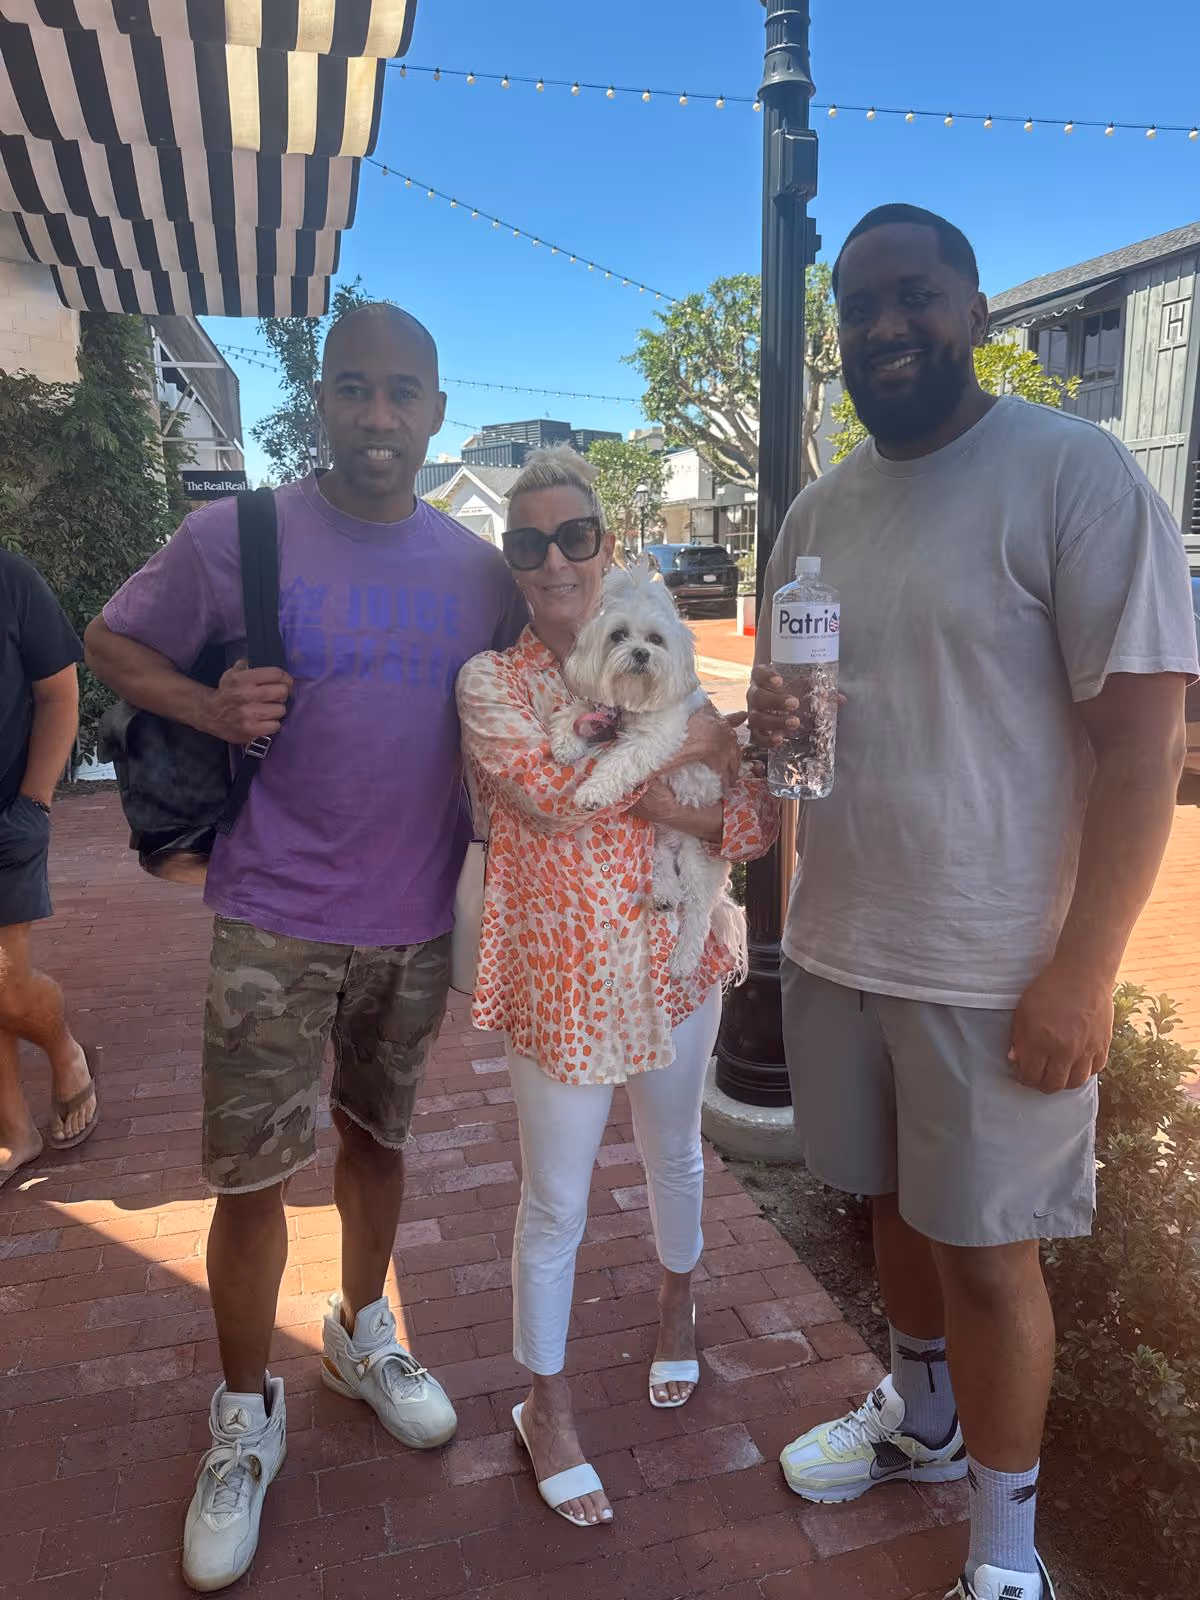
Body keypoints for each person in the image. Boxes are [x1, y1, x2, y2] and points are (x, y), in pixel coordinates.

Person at [748, 205, 1199, 1600]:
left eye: (915, 295)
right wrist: (766, 738)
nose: (886, 325)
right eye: (859, 308)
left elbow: (1146, 747)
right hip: (842, 939)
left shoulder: (1071, 473)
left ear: (977, 311)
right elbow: (796, 733)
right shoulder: (818, 512)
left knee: (995, 1262)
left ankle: (1007, 1562)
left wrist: (1084, 971)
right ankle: (923, 1419)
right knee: (891, 1205)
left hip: (997, 964)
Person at [85, 303, 528, 1593]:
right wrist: (206, 701)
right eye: (353, 390)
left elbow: (552, 689)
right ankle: (244, 1414)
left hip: (414, 919)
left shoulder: (480, 573)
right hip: (271, 915)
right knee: (250, 1179)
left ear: (437, 411)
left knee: (378, 1144)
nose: (377, 417)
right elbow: (111, 639)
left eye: (401, 394)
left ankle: (360, 1329)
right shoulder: (242, 536)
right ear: (320, 401)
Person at [456, 447, 778, 1529]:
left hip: (678, 966)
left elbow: (746, 825)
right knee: (555, 1199)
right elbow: (550, 799)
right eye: (529, 542)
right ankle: (544, 1407)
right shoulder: (493, 684)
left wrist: (685, 777)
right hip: (562, 981)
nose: (555, 561)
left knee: (676, 1153)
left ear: (605, 545)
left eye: (574, 536)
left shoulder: (675, 672)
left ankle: (678, 1307)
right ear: (511, 561)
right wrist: (685, 749)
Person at [0, 549, 97, 1188]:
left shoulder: (9, 579)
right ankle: (15, 1131)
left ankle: (66, 1051)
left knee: (5, 979)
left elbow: (58, 692)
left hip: (7, 815)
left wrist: (35, 800)